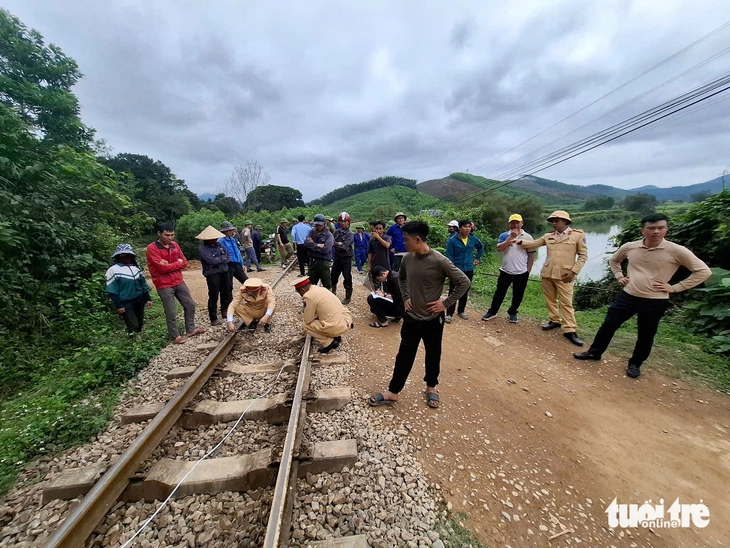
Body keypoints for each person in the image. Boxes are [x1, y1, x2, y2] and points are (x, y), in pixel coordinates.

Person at [574, 213, 711, 378]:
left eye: (661, 228)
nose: (656, 232)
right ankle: (594, 352)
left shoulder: (676, 250)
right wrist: (619, 276)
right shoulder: (630, 247)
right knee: (608, 325)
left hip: (656, 301)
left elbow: (703, 271)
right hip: (628, 295)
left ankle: (635, 364)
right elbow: (614, 260)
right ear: (642, 230)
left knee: (646, 334)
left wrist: (676, 288)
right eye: (651, 228)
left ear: (666, 230)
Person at [368, 221, 470, 409]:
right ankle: (393, 392)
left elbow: (464, 282)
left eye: (406, 239)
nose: (404, 243)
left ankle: (431, 387)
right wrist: (406, 297)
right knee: (404, 355)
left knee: (433, 354)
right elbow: (403, 278)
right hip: (411, 318)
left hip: (433, 319)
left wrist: (445, 304)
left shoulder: (440, 261)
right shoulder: (408, 258)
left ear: (417, 239)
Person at [516, 210, 587, 346]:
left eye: (557, 221)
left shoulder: (577, 236)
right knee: (550, 300)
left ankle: (570, 329)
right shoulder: (548, 236)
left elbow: (583, 256)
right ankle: (554, 320)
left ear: (565, 222)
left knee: (566, 302)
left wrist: (574, 272)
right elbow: (534, 243)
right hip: (548, 273)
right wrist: (519, 242)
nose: (554, 223)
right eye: (552, 221)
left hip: (565, 275)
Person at [146, 222, 205, 344]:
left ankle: (190, 329)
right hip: (163, 284)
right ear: (159, 233)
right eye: (167, 235)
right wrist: (176, 264)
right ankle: (175, 335)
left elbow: (184, 262)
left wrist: (169, 264)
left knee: (190, 304)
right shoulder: (152, 248)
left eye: (172, 235)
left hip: (178, 280)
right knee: (170, 311)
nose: (170, 238)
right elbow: (161, 268)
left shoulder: (175, 245)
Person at [482, 213, 536, 323]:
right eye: (512, 223)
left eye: (517, 222)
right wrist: (510, 238)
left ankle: (512, 312)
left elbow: (531, 255)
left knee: (518, 295)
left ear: (522, 223)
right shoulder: (503, 235)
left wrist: (528, 271)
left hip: (521, 272)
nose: (515, 225)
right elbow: (499, 249)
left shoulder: (528, 237)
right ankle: (493, 311)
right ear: (509, 224)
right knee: (499, 293)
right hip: (505, 270)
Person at [292, 276, 353, 353]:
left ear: (302, 289)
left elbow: (308, 320)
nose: (299, 294)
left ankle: (329, 343)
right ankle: (336, 336)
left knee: (306, 325)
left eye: (298, 291)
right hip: (345, 321)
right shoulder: (320, 289)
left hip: (336, 327)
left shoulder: (309, 296)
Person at [105, 244, 153, 334]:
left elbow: (143, 284)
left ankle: (138, 343)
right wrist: (118, 305)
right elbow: (112, 290)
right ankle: (133, 342)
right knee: (133, 325)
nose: (126, 258)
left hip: (139, 300)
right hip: (126, 302)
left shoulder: (135, 269)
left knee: (140, 323)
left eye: (128, 255)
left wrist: (148, 298)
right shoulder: (113, 270)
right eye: (123, 256)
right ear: (118, 257)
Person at [444, 219, 484, 323]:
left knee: (465, 290)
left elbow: (481, 247)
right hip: (456, 269)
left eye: (469, 227)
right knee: (453, 291)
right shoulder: (452, 240)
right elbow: (449, 257)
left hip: (469, 268)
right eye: (465, 227)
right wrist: (451, 270)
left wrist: (478, 258)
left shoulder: (473, 239)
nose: (467, 229)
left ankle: (461, 311)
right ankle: (449, 313)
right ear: (460, 228)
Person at [197, 225, 232, 326]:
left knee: (226, 291)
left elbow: (228, 256)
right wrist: (222, 259)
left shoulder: (220, 245)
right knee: (213, 294)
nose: (215, 239)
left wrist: (219, 260)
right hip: (212, 274)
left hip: (224, 271)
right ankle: (213, 318)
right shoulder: (203, 249)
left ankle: (225, 310)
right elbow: (211, 260)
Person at [305, 213, 335, 288]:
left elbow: (326, 249)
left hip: (323, 262)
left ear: (325, 224)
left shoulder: (329, 235)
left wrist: (312, 244)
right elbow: (306, 243)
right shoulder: (312, 232)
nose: (318, 227)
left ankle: (326, 299)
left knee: (326, 285)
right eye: (317, 225)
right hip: (313, 261)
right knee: (311, 285)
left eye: (320, 225)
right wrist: (317, 245)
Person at [331, 212, 355, 304]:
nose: (343, 223)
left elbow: (345, 246)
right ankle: (332, 293)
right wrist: (338, 244)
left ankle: (348, 297)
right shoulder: (336, 232)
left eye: (345, 221)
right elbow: (331, 243)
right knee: (333, 276)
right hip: (337, 258)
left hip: (346, 259)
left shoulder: (350, 234)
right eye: (341, 221)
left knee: (347, 277)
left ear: (348, 222)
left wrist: (337, 243)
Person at [219, 221, 248, 288]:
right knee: (229, 285)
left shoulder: (232, 239)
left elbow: (237, 252)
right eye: (230, 230)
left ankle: (250, 297)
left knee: (246, 281)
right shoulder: (220, 241)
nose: (232, 232)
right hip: (228, 264)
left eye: (232, 230)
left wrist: (242, 264)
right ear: (225, 231)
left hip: (237, 264)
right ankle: (228, 298)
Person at [367, 221, 392, 285]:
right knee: (376, 283)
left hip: (385, 264)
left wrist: (378, 237)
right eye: (376, 229)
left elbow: (387, 245)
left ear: (383, 229)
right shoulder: (371, 240)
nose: (378, 231)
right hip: (375, 264)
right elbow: (370, 253)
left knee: (386, 283)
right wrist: (369, 265)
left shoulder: (387, 238)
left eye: (380, 229)